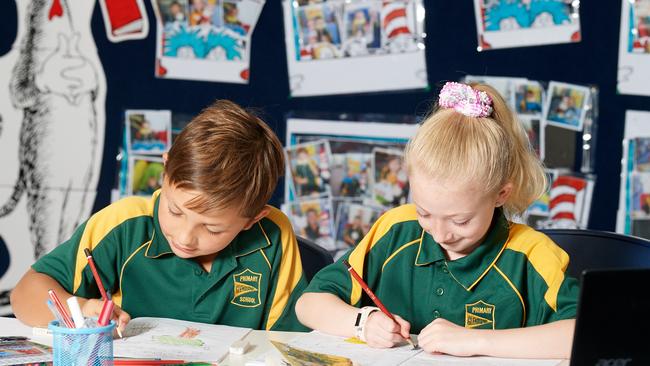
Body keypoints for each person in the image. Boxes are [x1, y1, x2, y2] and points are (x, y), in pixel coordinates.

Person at [295, 82, 579, 359]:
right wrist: (363, 321)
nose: (440, 235)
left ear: (500, 195)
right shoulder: (395, 229)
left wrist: (478, 341)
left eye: (461, 221)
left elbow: (584, 335)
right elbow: (308, 305)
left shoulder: (532, 254)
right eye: (424, 213)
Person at [11, 100, 309, 333]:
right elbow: (25, 295)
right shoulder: (124, 224)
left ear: (252, 219)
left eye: (212, 229)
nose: (184, 237)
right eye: (175, 210)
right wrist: (82, 307)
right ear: (165, 170)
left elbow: (290, 339)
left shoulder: (272, 234)